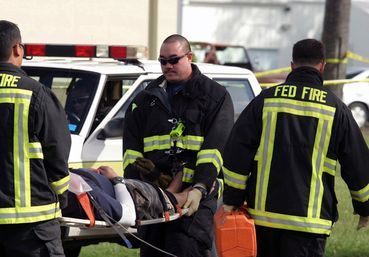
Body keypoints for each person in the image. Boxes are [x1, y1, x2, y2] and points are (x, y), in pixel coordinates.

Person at [222, 38, 369, 257]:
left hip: (265, 219)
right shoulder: (336, 108)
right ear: (322, 66)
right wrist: (364, 208)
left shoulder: (266, 100)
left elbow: (237, 150)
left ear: (292, 65)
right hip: (309, 224)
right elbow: (357, 163)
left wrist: (232, 199)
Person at [123, 34, 234, 256]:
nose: (167, 66)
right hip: (156, 196)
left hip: (196, 198)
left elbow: (214, 150)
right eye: (162, 61)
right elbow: (132, 154)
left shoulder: (214, 96)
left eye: (173, 59)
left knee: (186, 247)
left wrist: (199, 188)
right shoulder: (144, 101)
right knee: (153, 251)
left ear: (189, 57)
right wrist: (146, 184)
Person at [0, 20, 71, 257]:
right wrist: (61, 196)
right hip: (32, 224)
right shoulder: (35, 93)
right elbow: (57, 151)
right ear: (17, 49)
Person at [63, 167, 189, 226]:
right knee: (175, 198)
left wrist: (82, 171)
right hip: (133, 197)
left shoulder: (62, 181)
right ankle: (188, 191)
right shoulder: (82, 193)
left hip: (113, 186)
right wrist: (116, 179)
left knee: (168, 194)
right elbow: (128, 216)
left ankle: (173, 191)